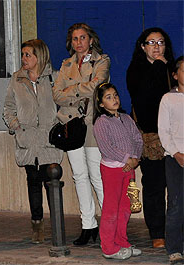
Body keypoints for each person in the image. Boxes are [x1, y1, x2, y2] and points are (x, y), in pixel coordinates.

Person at [52, 23, 110, 245]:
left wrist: (71, 90)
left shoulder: (101, 60)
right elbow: (56, 94)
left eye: (82, 38)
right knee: (79, 176)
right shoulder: (66, 64)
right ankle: (88, 224)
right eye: (75, 39)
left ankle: (108, 224)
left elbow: (97, 86)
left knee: (97, 175)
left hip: (92, 123)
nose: (79, 42)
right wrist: (79, 89)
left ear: (90, 40)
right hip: (71, 123)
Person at [3, 39, 63, 244]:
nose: (23, 59)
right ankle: (37, 224)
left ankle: (57, 225)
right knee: (33, 183)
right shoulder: (17, 79)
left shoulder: (54, 77)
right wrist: (16, 127)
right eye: (22, 55)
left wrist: (59, 125)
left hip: (49, 140)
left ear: (40, 56)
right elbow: (8, 107)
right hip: (27, 140)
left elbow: (65, 105)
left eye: (28, 54)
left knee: (52, 182)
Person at [126, 27, 174, 248]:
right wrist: (158, 67)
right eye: (151, 42)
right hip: (151, 138)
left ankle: (176, 229)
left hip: (175, 138)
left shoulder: (173, 68)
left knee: (175, 186)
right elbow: (147, 99)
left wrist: (164, 67)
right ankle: (157, 232)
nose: (157, 47)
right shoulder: (136, 70)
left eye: (161, 42)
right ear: (143, 46)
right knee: (154, 186)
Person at [92, 82, 143, 260]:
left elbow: (138, 139)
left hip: (128, 170)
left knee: (125, 208)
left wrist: (135, 158)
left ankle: (121, 241)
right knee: (111, 209)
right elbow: (107, 147)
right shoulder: (101, 123)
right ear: (100, 104)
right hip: (112, 170)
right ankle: (108, 247)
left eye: (115, 95)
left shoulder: (126, 118)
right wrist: (127, 159)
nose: (114, 99)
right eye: (108, 97)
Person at [158, 56, 184, 263]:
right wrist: (176, 153)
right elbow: (164, 131)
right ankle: (174, 247)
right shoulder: (168, 99)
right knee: (176, 203)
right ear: (175, 75)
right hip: (175, 158)